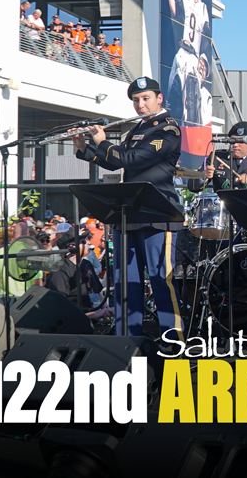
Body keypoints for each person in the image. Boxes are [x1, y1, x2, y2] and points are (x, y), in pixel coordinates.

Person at [73, 77, 185, 344]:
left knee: (161, 280)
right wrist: (85, 149)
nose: (140, 105)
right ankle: (125, 342)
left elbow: (131, 159)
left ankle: (174, 342)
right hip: (128, 214)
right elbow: (115, 162)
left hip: (158, 214)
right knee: (125, 283)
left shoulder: (169, 129)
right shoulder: (136, 129)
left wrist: (102, 142)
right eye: (136, 100)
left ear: (159, 98)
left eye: (146, 98)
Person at [187, 121, 247, 192]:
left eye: (240, 141)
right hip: (223, 205)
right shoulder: (217, 157)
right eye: (232, 141)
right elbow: (192, 187)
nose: (235, 145)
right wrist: (204, 175)